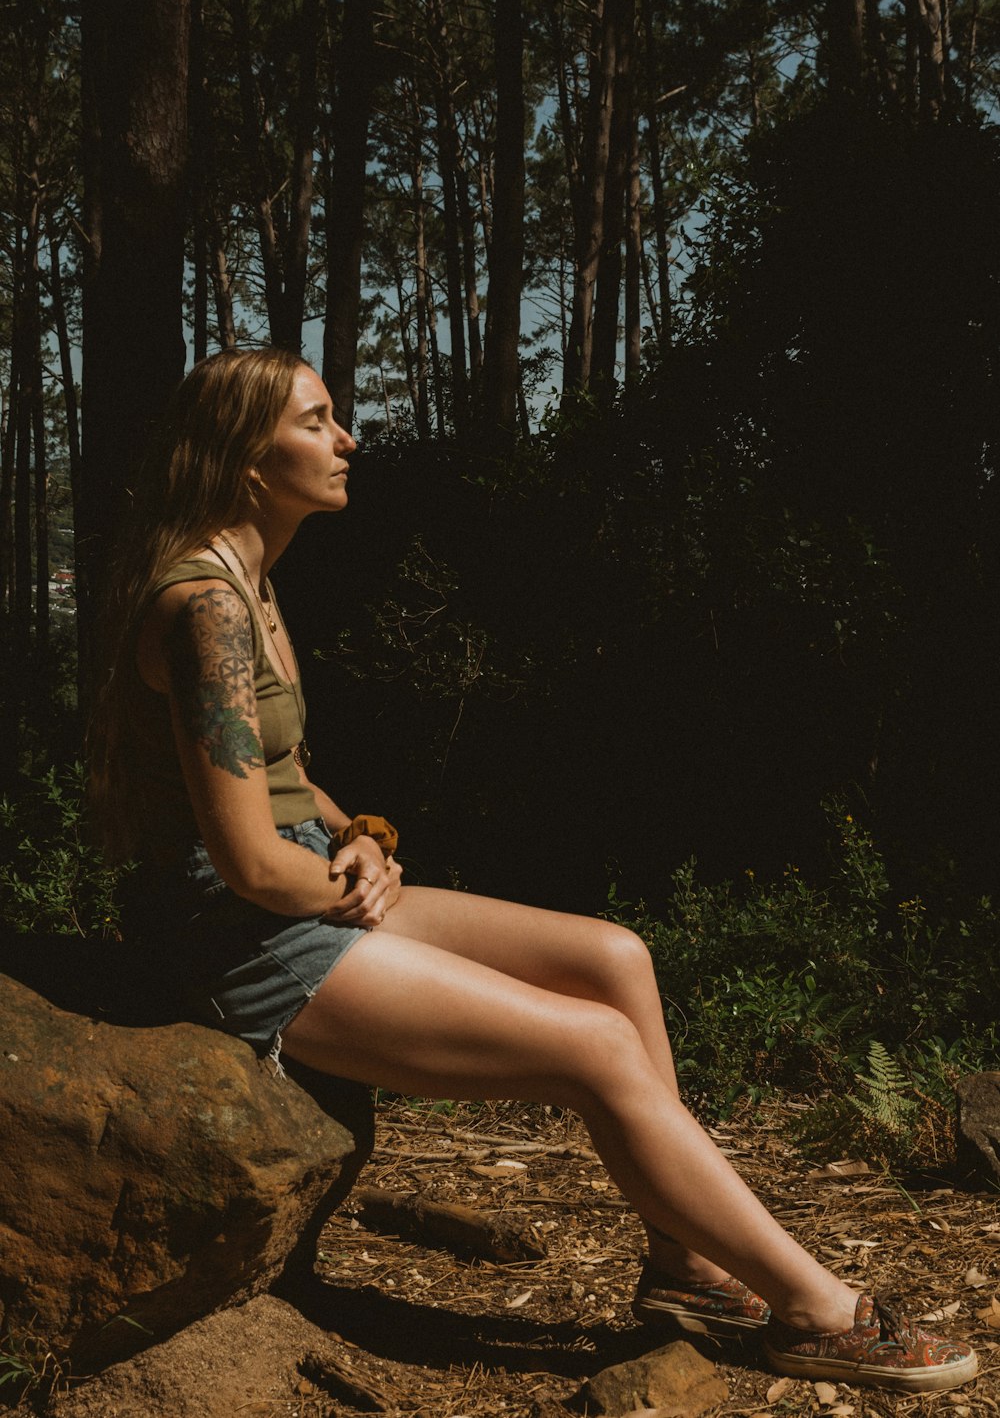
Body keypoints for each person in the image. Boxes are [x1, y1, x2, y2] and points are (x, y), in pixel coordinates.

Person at [90, 346, 977, 1395]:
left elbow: (278, 780)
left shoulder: (253, 581)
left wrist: (362, 832)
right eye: (318, 422)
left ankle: (685, 1265)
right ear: (245, 457)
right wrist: (348, 887)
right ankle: (815, 1310)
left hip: (307, 889)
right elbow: (243, 862)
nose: (347, 440)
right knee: (595, 1049)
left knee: (614, 957)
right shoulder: (206, 608)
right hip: (239, 938)